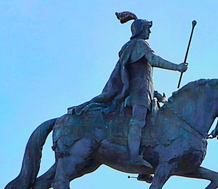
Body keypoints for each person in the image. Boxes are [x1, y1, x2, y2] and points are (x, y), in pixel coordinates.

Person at [77, 11, 188, 171]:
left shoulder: (135, 46)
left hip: (145, 93)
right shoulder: (139, 45)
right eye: (147, 28)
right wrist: (177, 67)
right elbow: (154, 60)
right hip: (139, 95)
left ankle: (147, 160)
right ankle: (134, 157)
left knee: (154, 122)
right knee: (139, 121)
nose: (149, 32)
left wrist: (156, 94)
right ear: (141, 30)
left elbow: (142, 76)